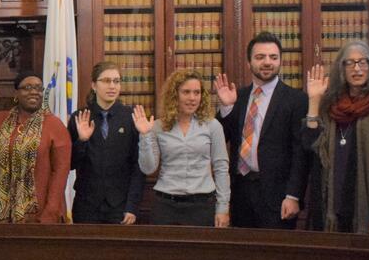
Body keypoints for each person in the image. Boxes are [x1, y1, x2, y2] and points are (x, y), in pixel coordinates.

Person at [301, 42, 369, 235]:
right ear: (341, 69)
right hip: (332, 206)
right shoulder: (329, 104)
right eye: (349, 63)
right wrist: (314, 101)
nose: (357, 68)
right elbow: (310, 145)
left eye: (363, 62)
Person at [215, 32, 311, 230]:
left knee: (275, 258)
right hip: (240, 192)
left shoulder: (296, 100)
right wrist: (226, 108)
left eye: (273, 57)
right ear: (249, 63)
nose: (267, 62)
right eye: (260, 57)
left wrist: (293, 195)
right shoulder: (237, 97)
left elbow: (300, 153)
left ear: (280, 61)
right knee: (244, 256)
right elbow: (219, 139)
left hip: (278, 197)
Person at [0, 71, 70, 224]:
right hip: (2, 218)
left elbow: (60, 172)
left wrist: (50, 213)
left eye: (38, 88)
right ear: (16, 93)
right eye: (27, 87)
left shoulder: (54, 125)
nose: (34, 92)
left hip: (41, 218)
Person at [136, 69, 230, 228]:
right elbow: (148, 168)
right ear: (175, 94)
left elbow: (221, 168)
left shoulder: (212, 126)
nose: (192, 98)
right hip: (166, 206)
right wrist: (145, 136)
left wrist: (223, 208)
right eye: (186, 92)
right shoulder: (158, 126)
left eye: (197, 92)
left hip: (202, 206)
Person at [70, 60, 143, 225]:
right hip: (86, 205)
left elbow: (138, 167)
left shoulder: (131, 117)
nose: (112, 86)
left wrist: (132, 206)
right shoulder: (80, 117)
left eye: (116, 81)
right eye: (106, 81)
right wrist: (81, 141)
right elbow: (70, 163)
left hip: (120, 205)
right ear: (94, 85)